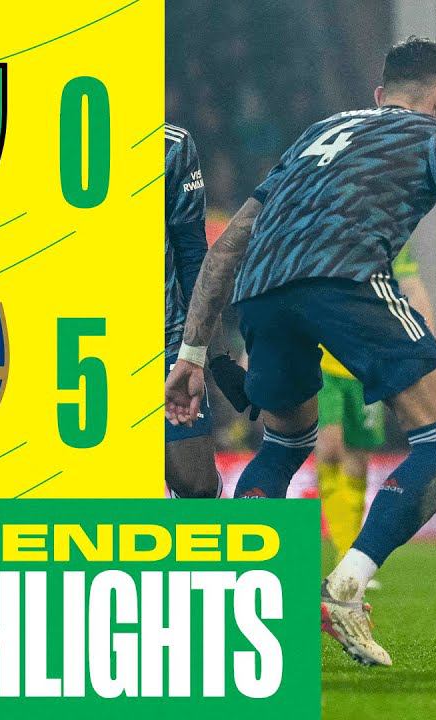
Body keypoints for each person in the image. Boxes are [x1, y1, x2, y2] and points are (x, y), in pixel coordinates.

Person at [165, 38, 436, 666]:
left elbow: (228, 244)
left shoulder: (318, 133)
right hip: (347, 280)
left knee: (285, 443)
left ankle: (232, 599)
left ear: (379, 94)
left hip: (261, 291)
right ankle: (345, 587)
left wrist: (193, 354)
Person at [317, 244, 433, 571]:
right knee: (330, 449)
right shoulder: (323, 230)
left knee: (357, 459)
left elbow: (413, 287)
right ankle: (343, 547)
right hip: (321, 362)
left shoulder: (391, 238)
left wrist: (426, 342)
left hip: (366, 365)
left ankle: (349, 553)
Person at [163, 123, 257, 497]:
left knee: (195, 484)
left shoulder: (171, 146)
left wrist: (215, 357)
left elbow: (193, 258)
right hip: (74, 334)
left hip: (165, 337)